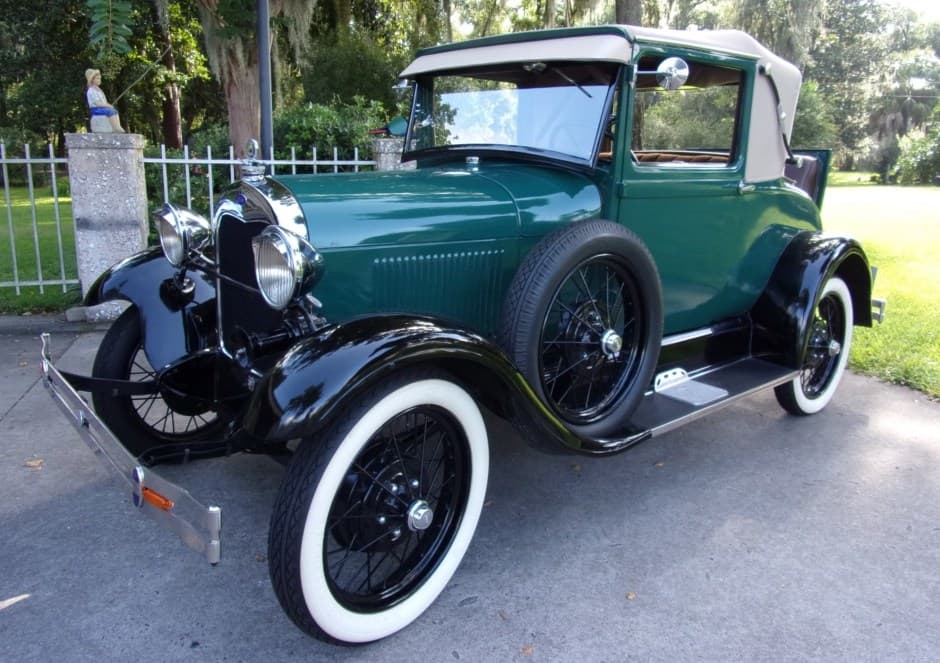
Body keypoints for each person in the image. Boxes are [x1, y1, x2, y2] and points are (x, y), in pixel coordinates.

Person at [85, 68, 124, 133]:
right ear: (92, 80)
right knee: (110, 111)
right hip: (96, 109)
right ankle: (116, 127)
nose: (99, 80)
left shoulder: (99, 90)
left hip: (101, 108)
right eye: (97, 79)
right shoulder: (91, 91)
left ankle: (117, 126)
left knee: (114, 111)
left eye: (99, 78)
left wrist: (107, 105)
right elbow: (97, 103)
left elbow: (103, 101)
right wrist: (108, 105)